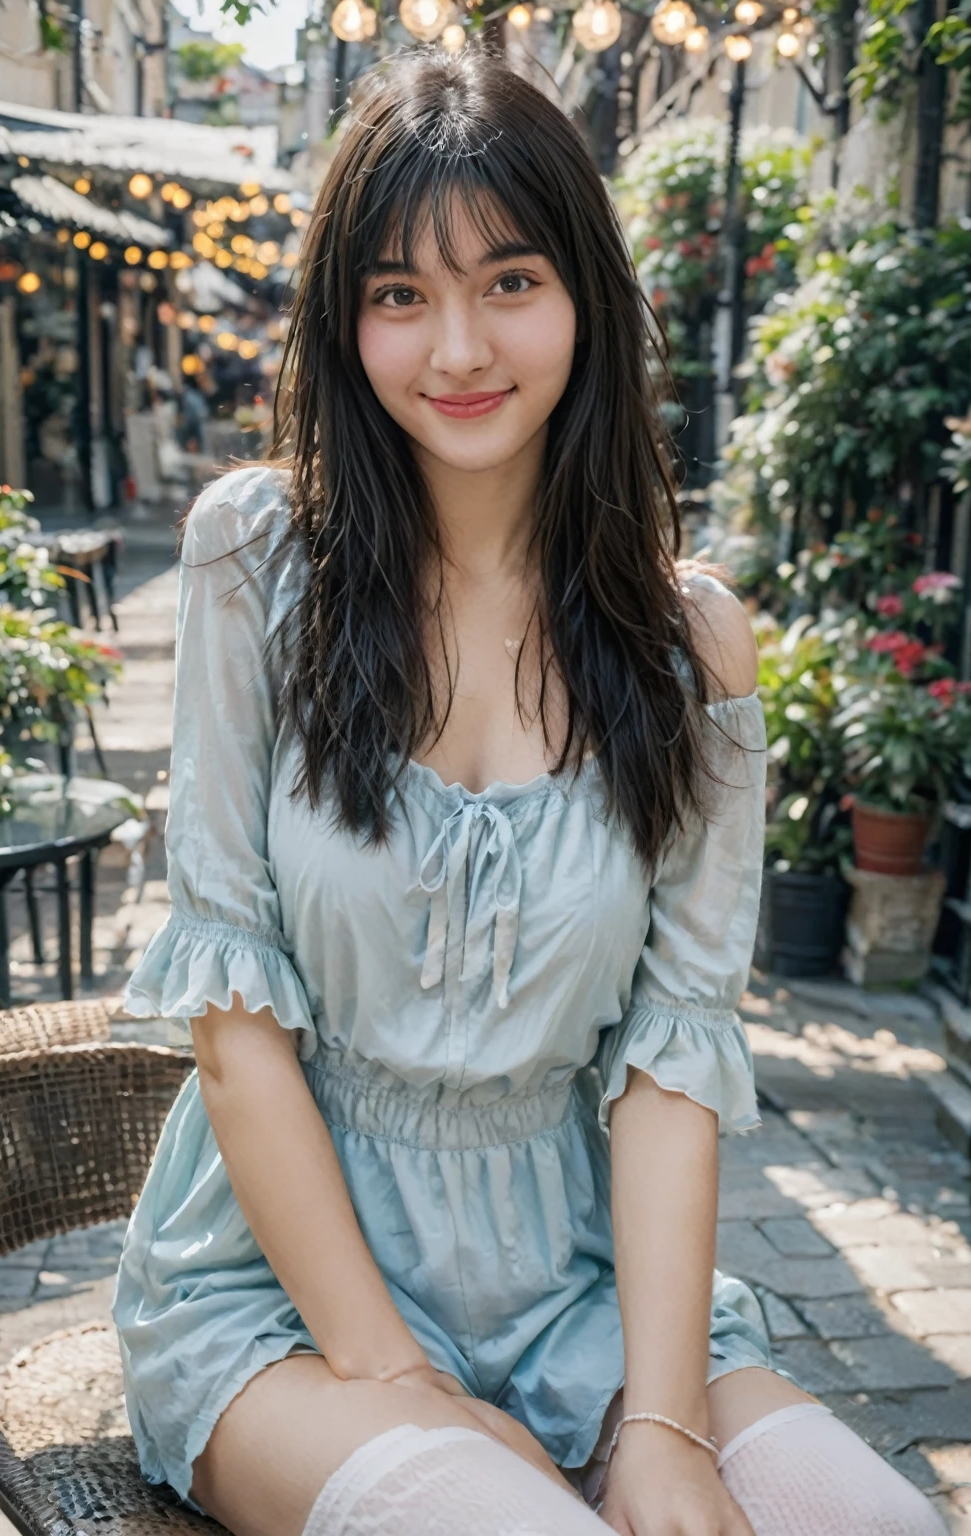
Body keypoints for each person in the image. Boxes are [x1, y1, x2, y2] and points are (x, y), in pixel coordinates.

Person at [114, 47, 945, 1536]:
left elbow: (672, 1066)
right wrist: (405, 1383)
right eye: (398, 294)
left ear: (587, 300)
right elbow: (235, 1033)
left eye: (508, 280)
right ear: (345, 319)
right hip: (282, 1299)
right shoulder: (259, 562)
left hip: (570, 1282)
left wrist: (667, 1419)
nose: (457, 347)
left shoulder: (687, 643)